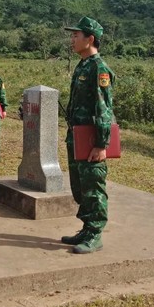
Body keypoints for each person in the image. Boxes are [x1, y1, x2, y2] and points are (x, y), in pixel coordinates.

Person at [61, 17, 116, 254]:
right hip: (77, 136)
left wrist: (101, 144)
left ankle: (95, 234)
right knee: (80, 185)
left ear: (90, 39)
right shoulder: (82, 65)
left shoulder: (99, 68)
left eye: (76, 36)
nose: (72, 40)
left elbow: (104, 109)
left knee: (93, 185)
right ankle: (86, 228)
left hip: (91, 139)